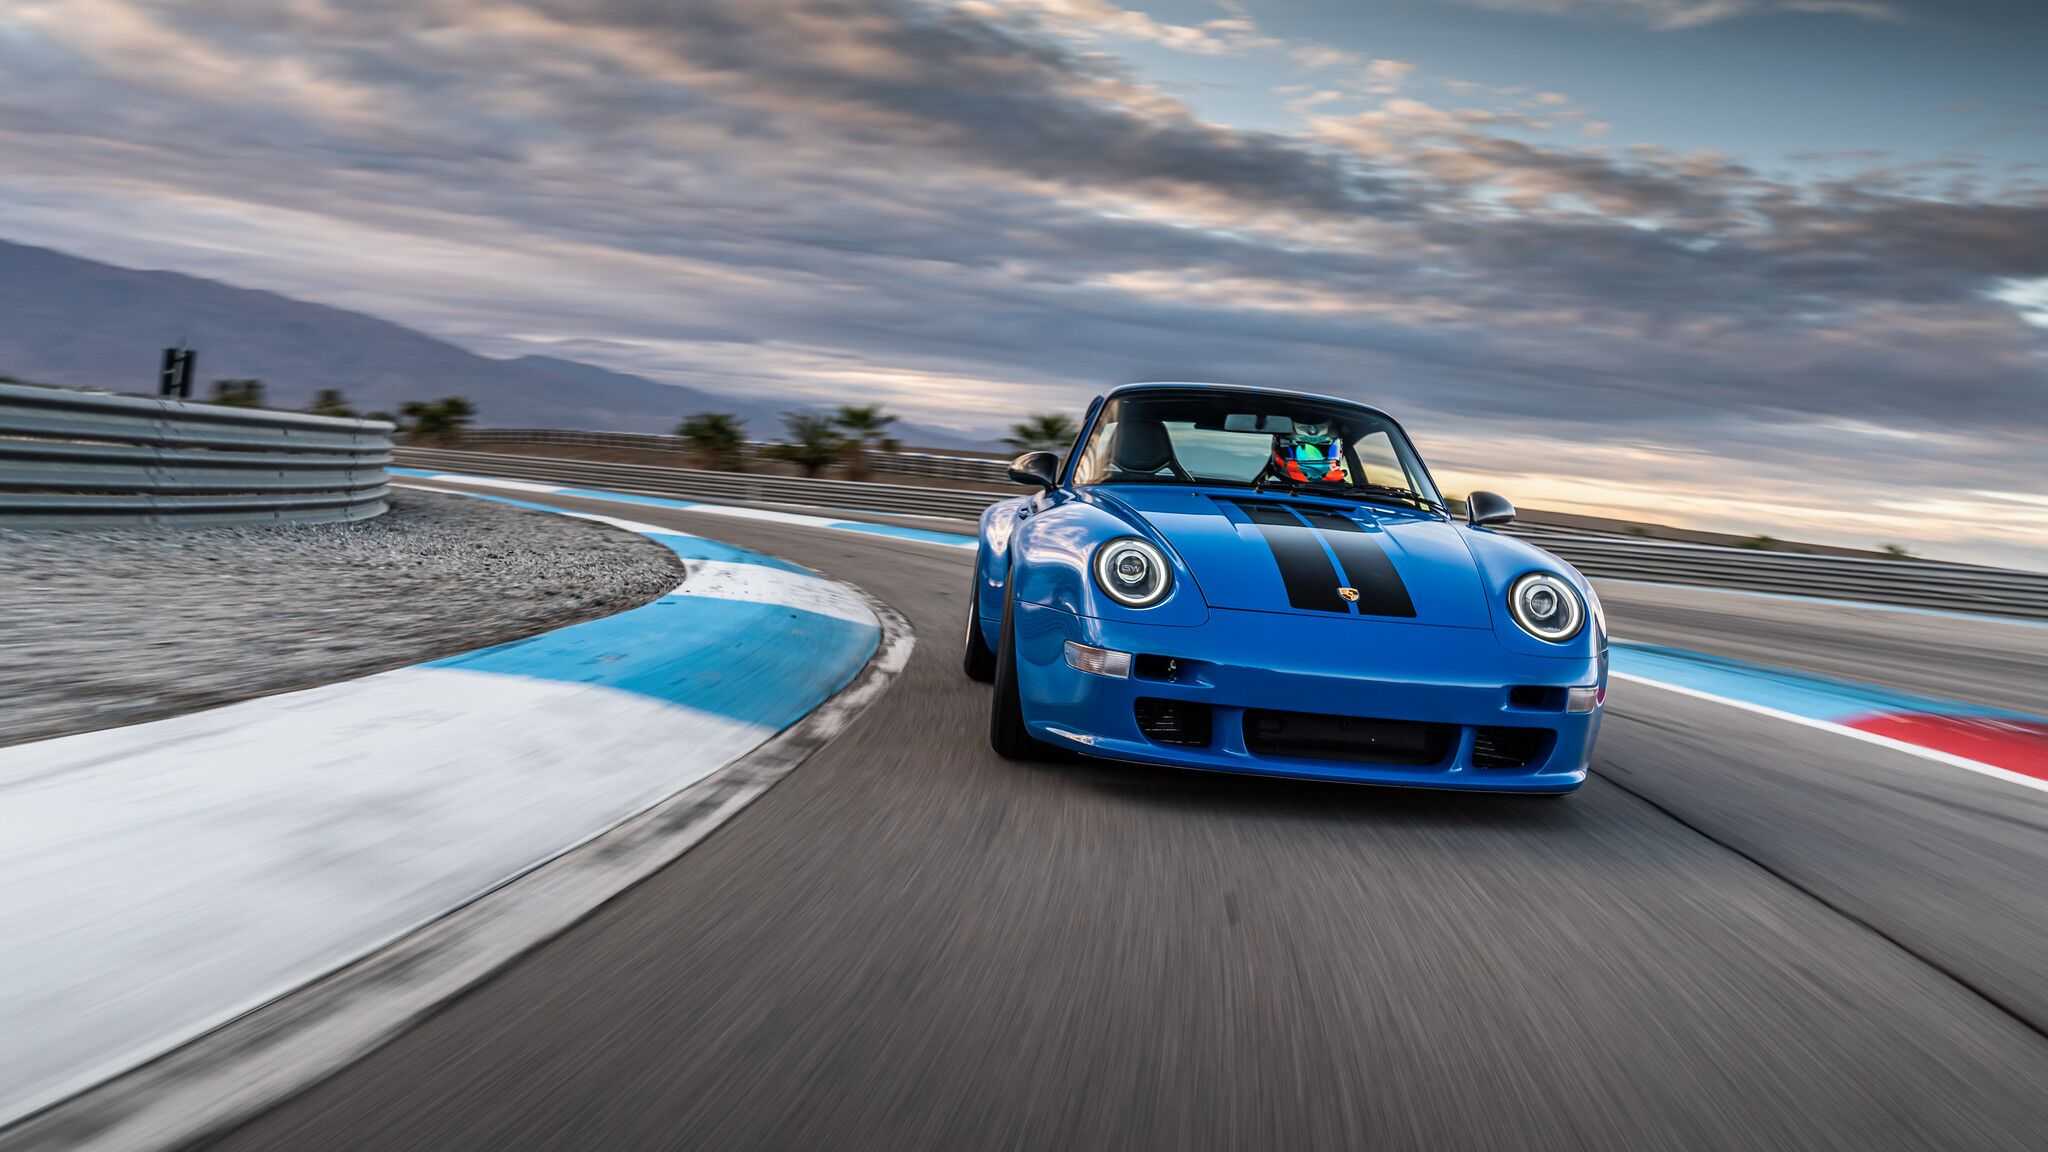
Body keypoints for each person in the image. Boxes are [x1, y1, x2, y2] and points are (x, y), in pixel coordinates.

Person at [1269, 419, 1350, 484]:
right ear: (1278, 450)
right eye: (1303, 453)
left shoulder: (1347, 490)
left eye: (1324, 451)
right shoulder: (1268, 486)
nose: (1314, 458)